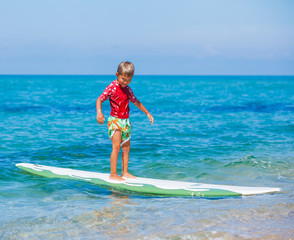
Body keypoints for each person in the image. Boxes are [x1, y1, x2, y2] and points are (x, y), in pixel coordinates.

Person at [96, 61, 154, 181]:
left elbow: (136, 101)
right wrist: (99, 113)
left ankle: (125, 172)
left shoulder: (128, 89)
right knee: (116, 147)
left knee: (126, 148)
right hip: (115, 121)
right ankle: (113, 174)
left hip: (125, 122)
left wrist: (147, 113)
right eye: (123, 79)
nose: (125, 82)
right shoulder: (112, 87)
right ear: (117, 74)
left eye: (128, 80)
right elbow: (100, 99)